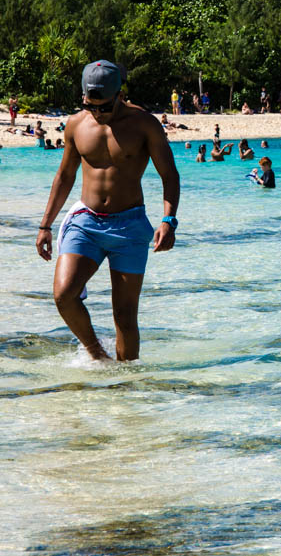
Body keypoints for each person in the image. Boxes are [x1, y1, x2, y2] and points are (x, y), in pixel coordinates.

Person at [35, 60, 179, 362]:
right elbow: (64, 175)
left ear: (120, 95)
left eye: (103, 107)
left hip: (129, 226)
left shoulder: (144, 124)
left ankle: (126, 389)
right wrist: (45, 225)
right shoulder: (77, 123)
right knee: (64, 295)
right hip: (85, 222)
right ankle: (97, 355)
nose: (97, 113)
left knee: (124, 317)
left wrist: (168, 219)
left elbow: (169, 174)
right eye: (90, 106)